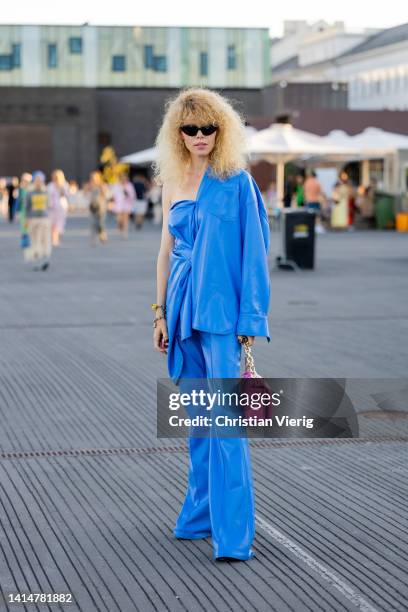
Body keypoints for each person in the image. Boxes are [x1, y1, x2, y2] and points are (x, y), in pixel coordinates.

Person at [152, 87, 270, 562]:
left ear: (221, 131)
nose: (199, 136)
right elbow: (163, 252)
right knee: (199, 422)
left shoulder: (237, 182)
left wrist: (249, 320)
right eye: (190, 128)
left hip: (221, 317)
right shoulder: (173, 182)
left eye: (208, 128)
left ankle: (234, 533)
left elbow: (254, 257)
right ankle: (199, 515)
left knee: (226, 426)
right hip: (181, 311)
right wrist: (158, 313)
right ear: (177, 134)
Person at [25, 171, 52, 271]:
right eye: (37, 180)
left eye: (40, 180)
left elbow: (48, 206)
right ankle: (36, 262)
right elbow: (27, 207)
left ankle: (45, 260)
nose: (39, 182)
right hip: (33, 219)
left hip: (44, 219)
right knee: (35, 241)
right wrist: (27, 220)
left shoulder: (46, 192)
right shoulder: (30, 193)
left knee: (45, 241)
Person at [84, 171, 109, 245]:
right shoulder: (89, 185)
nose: (93, 179)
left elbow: (106, 195)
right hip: (92, 206)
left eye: (95, 177)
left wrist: (102, 189)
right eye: (92, 178)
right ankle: (93, 240)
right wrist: (88, 188)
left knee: (101, 223)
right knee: (92, 223)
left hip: (101, 207)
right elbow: (85, 194)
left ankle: (103, 236)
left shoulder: (102, 185)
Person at [47, 169, 69, 246]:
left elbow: (66, 195)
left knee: (59, 224)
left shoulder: (64, 185)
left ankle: (56, 238)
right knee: (52, 224)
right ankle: (54, 239)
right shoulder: (50, 185)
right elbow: (48, 196)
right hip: (51, 207)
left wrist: (60, 188)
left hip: (61, 207)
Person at [112, 173, 136, 239]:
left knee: (126, 220)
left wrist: (127, 193)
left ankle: (125, 234)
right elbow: (114, 195)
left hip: (127, 204)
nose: (124, 180)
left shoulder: (129, 185)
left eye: (125, 179)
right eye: (122, 179)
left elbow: (133, 195)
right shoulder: (116, 185)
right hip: (119, 205)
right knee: (119, 219)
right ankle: (120, 226)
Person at [16, 172, 32, 258]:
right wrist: (16, 210)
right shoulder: (21, 190)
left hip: (30, 212)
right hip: (23, 211)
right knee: (23, 227)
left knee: (29, 226)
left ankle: (29, 241)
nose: (26, 182)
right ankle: (24, 242)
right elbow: (19, 201)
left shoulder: (31, 189)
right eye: (24, 181)